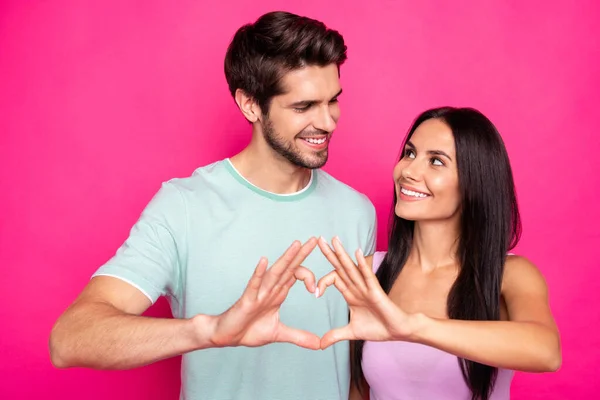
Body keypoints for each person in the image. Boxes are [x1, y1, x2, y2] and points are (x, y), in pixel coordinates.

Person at [49, 11, 377, 400]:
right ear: (251, 104)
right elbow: (69, 339)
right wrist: (210, 330)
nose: (327, 122)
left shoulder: (357, 212)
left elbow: (356, 364)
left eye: (333, 101)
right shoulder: (184, 207)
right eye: (304, 107)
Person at [315, 107, 561, 400]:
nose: (408, 171)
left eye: (435, 161)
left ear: (473, 183)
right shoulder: (369, 274)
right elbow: (359, 391)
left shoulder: (510, 275)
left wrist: (413, 327)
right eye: (409, 153)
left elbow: (546, 352)